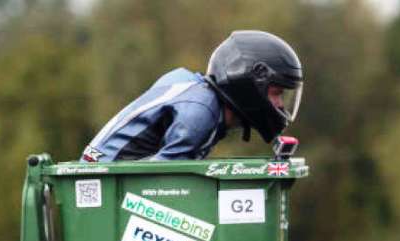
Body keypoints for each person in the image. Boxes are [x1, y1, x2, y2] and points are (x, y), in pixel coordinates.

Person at [80, 30, 303, 162]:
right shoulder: (200, 113)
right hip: (105, 186)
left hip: (104, 175)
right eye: (277, 93)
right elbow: (167, 183)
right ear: (251, 83)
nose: (280, 104)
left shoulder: (194, 89)